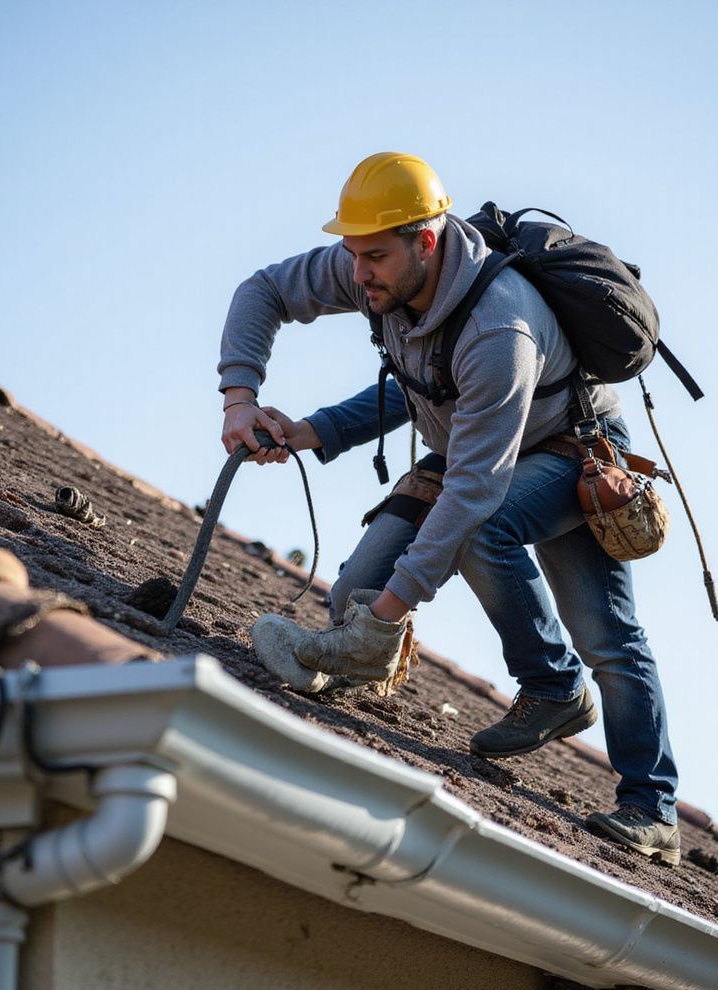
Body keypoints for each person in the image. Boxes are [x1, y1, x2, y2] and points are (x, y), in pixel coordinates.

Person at [217, 152, 680, 866]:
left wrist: (386, 620)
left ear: (424, 241)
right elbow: (265, 293)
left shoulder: (499, 328)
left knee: (597, 627)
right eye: (351, 253)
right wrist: (252, 403)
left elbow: (472, 494)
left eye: (372, 256)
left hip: (569, 446)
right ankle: (368, 660)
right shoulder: (376, 266)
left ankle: (637, 791)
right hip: (475, 439)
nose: (356, 271)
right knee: (354, 590)